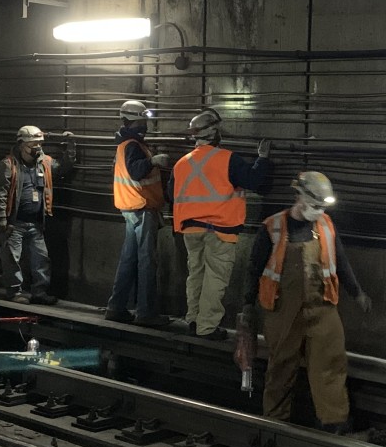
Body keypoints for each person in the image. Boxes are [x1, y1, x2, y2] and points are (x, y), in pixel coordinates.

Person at [242, 171, 371, 433]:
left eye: (322, 207)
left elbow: (341, 262)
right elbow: (254, 268)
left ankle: (334, 420)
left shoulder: (325, 225)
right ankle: (275, 420)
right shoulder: (273, 227)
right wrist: (246, 304)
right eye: (315, 206)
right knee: (281, 365)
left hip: (322, 307)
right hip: (282, 309)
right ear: (298, 197)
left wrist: (357, 292)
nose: (318, 211)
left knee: (330, 364)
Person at [170, 107, 273, 340]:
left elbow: (171, 194)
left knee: (195, 275)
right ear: (215, 133)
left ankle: (194, 320)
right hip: (220, 229)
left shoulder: (181, 164)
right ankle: (207, 327)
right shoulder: (228, 159)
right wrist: (263, 159)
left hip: (190, 229)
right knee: (215, 278)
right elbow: (254, 181)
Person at [105, 100, 171, 326]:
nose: (145, 124)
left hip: (132, 208)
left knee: (129, 259)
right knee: (146, 261)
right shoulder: (132, 145)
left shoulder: (124, 144)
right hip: (141, 208)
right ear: (133, 120)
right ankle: (146, 313)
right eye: (142, 120)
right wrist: (153, 161)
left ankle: (116, 307)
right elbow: (135, 172)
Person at [0, 125, 75, 305]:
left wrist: (70, 146)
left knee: (41, 259)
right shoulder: (8, 165)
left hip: (36, 223)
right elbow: (0, 194)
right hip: (15, 223)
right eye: (34, 145)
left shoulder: (44, 162)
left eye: (39, 144)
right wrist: (2, 220)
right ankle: (14, 292)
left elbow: (63, 168)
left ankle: (39, 292)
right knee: (12, 259)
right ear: (22, 144)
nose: (38, 148)